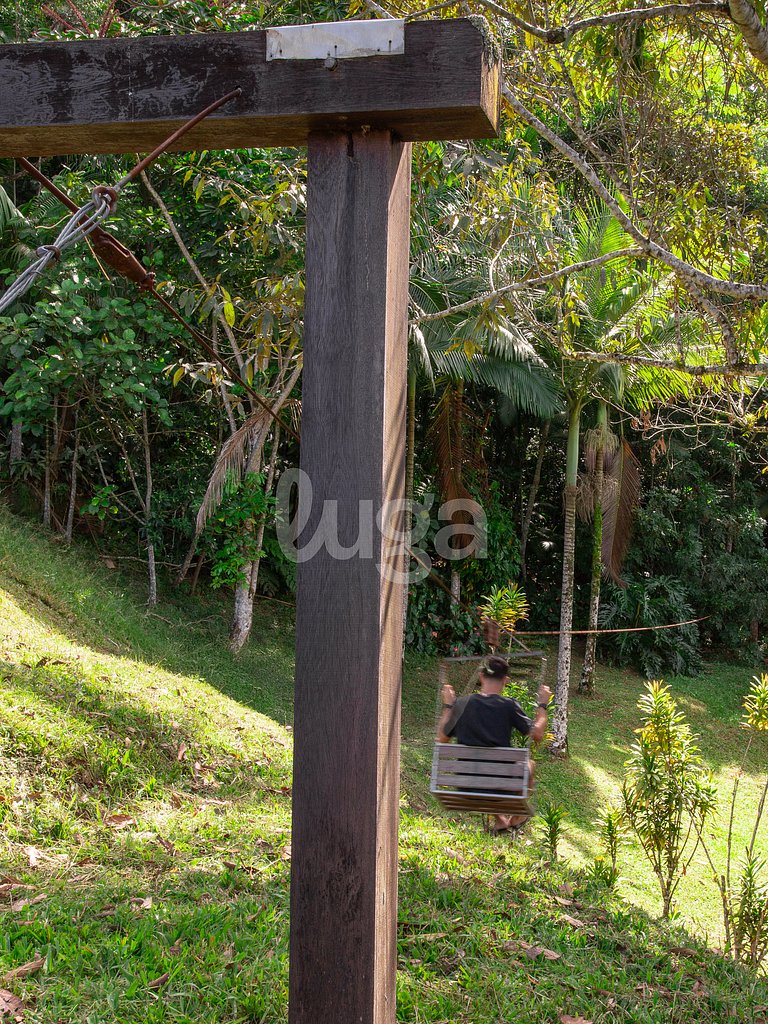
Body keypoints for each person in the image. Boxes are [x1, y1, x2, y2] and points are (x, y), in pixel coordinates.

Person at [435, 654, 552, 834]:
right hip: (500, 788)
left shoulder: (462, 704)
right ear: (505, 680)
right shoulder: (509, 706)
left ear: (481, 676)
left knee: (484, 773)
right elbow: (537, 734)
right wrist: (542, 705)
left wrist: (449, 706)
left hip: (466, 787)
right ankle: (516, 817)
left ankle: (500, 821)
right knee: (529, 765)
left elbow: (442, 739)